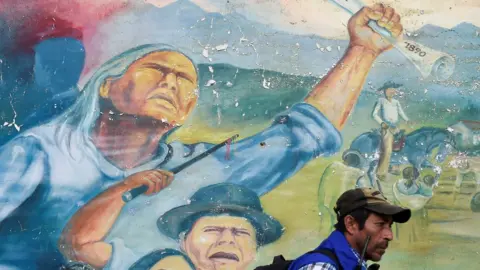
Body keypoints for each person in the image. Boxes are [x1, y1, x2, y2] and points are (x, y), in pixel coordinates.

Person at [0, 3, 404, 269]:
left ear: (186, 110)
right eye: (157, 69)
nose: (171, 83)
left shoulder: (200, 168)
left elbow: (302, 135)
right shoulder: (40, 152)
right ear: (106, 85)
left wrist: (362, 51)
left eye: (184, 80)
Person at [60, 182, 283, 270]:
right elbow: (80, 245)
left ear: (255, 247)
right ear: (183, 240)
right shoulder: (167, 265)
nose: (227, 240)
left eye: (241, 232)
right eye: (212, 230)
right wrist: (127, 188)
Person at [288, 187, 411, 270]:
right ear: (351, 224)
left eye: (389, 226)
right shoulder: (322, 267)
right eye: (380, 224)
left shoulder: (349, 265)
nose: (389, 236)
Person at [372, 82, 411, 180]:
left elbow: (401, 112)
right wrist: (381, 123)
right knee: (388, 150)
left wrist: (407, 120)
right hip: (386, 127)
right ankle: (380, 173)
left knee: (400, 146)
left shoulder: (396, 102)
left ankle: (395, 167)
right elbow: (374, 114)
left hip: (396, 127)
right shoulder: (381, 100)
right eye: (389, 89)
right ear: (385, 91)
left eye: (393, 89)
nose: (391, 91)